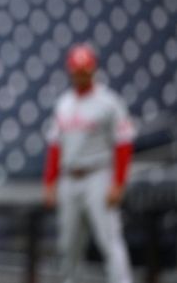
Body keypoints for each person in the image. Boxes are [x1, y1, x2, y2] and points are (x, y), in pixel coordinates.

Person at [43, 44, 135, 283]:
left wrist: (119, 183)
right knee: (68, 244)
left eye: (85, 70)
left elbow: (123, 143)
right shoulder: (64, 104)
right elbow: (55, 146)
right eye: (77, 70)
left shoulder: (108, 102)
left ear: (92, 70)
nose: (81, 74)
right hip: (69, 178)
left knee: (109, 240)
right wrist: (50, 182)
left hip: (98, 175)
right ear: (71, 71)